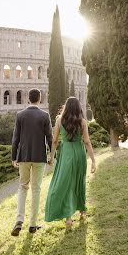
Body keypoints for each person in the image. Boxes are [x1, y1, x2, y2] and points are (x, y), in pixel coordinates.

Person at [45, 96, 96, 227]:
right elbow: (87, 141)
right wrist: (93, 160)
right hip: (79, 153)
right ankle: (82, 210)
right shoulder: (83, 122)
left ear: (66, 107)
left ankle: (68, 218)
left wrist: (51, 156)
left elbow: (55, 140)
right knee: (79, 180)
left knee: (67, 182)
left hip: (66, 153)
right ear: (78, 107)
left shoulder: (59, 120)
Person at [11, 88, 53, 236]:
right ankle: (33, 225)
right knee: (36, 189)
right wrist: (51, 155)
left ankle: (19, 221)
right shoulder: (45, 115)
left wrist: (13, 157)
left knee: (23, 187)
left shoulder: (20, 115)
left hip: (23, 157)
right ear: (39, 99)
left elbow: (15, 138)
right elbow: (50, 137)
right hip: (39, 157)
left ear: (28, 99)